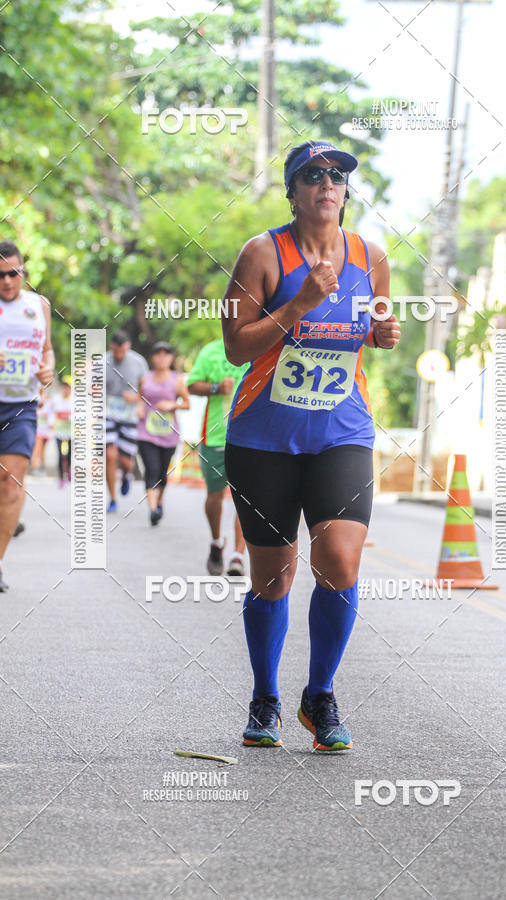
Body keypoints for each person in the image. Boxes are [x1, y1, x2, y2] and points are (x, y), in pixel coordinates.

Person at [222, 140, 400, 750]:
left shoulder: (370, 256)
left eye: (338, 176)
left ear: (346, 192)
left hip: (341, 433)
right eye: (313, 175)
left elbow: (375, 327)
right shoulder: (262, 254)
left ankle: (319, 696)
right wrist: (299, 304)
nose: (327, 184)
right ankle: (265, 698)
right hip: (264, 438)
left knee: (342, 564)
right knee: (272, 577)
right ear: (293, 191)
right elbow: (237, 348)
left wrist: (382, 334)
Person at [0, 240, 54, 591]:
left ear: (23, 273)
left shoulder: (39, 305)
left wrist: (47, 370)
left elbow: (47, 350)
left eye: (13, 273)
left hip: (21, 406)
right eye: (0, 275)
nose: (6, 281)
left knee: (10, 484)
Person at [187, 338, 247, 576]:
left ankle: (237, 556)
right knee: (214, 497)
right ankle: (216, 542)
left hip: (249, 437)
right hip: (215, 437)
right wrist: (216, 388)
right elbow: (192, 385)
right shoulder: (210, 350)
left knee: (245, 499)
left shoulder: (260, 345)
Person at [137, 342, 189, 525]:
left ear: (171, 358)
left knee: (161, 473)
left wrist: (172, 405)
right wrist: (139, 408)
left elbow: (187, 403)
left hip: (168, 434)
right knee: (151, 469)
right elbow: (140, 398)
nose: (161, 358)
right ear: (153, 358)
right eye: (158, 354)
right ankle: (152, 510)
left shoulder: (177, 380)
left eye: (165, 354)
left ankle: (159, 502)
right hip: (146, 432)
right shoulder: (146, 378)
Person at [105, 331, 148, 512]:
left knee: (125, 461)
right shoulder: (102, 362)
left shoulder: (139, 362)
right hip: (107, 413)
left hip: (129, 415)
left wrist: (137, 399)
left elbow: (147, 390)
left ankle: (126, 474)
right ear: (111, 347)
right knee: (109, 455)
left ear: (128, 346)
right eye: (116, 351)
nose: (119, 355)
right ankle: (113, 498)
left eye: (122, 351)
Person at [50, 376, 72, 486]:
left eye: (68, 387)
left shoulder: (75, 400)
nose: (65, 389)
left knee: (69, 454)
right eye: (64, 386)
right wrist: (51, 423)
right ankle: (60, 476)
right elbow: (52, 413)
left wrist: (69, 417)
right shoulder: (56, 399)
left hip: (71, 433)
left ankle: (68, 472)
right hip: (59, 431)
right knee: (60, 453)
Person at [31, 386, 52, 475]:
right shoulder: (35, 402)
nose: (44, 394)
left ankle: (42, 469)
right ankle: (35, 468)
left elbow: (50, 416)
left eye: (45, 392)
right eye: (42, 392)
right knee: (37, 450)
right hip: (37, 431)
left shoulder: (49, 403)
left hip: (45, 432)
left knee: (43, 452)